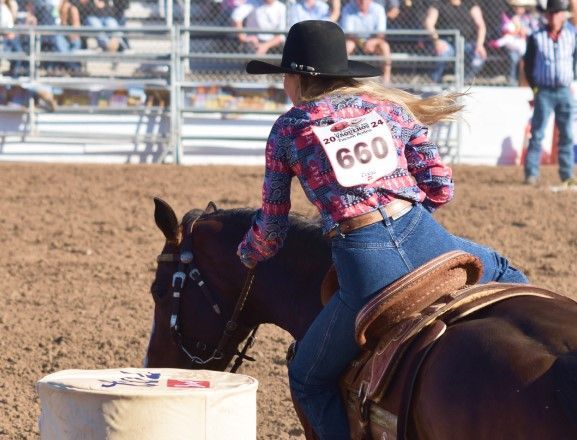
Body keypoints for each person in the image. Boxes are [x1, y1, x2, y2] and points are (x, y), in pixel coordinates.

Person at [236, 20, 529, 439]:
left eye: (285, 75)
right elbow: (442, 188)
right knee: (502, 270)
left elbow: (272, 230)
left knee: (306, 378)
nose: (284, 83)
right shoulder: (390, 110)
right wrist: (404, 212)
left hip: (363, 262)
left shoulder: (287, 129)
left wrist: (246, 254)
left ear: (299, 78)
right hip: (425, 238)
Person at [523, 0, 577, 187]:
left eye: (557, 13)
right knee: (537, 133)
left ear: (562, 15)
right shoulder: (536, 36)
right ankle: (531, 173)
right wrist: (535, 89)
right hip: (544, 91)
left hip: (564, 89)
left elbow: (575, 59)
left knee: (567, 134)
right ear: (546, 15)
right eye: (551, 13)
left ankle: (566, 174)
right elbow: (528, 65)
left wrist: (572, 80)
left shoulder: (572, 34)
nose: (553, 17)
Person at [423, 0, 488, 83]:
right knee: (442, 53)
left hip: (466, 43)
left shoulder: (470, 4)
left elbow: (481, 26)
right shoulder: (438, 3)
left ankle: (462, 82)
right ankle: (433, 81)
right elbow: (429, 23)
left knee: (478, 57)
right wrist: (437, 41)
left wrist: (480, 45)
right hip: (446, 42)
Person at [489, 0, 539, 86]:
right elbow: (505, 31)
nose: (519, 9)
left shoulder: (528, 18)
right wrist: (517, 30)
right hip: (512, 44)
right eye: (516, 7)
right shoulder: (507, 16)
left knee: (525, 59)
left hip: (525, 44)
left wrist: (523, 31)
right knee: (513, 57)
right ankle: (512, 81)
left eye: (521, 7)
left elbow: (534, 31)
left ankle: (524, 81)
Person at [340, 0, 392, 83]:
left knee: (385, 47)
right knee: (347, 45)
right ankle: (343, 78)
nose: (362, 2)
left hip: (374, 42)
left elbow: (381, 34)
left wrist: (373, 41)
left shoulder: (378, 9)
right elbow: (348, 33)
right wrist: (362, 42)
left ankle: (386, 81)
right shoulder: (348, 8)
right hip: (355, 41)